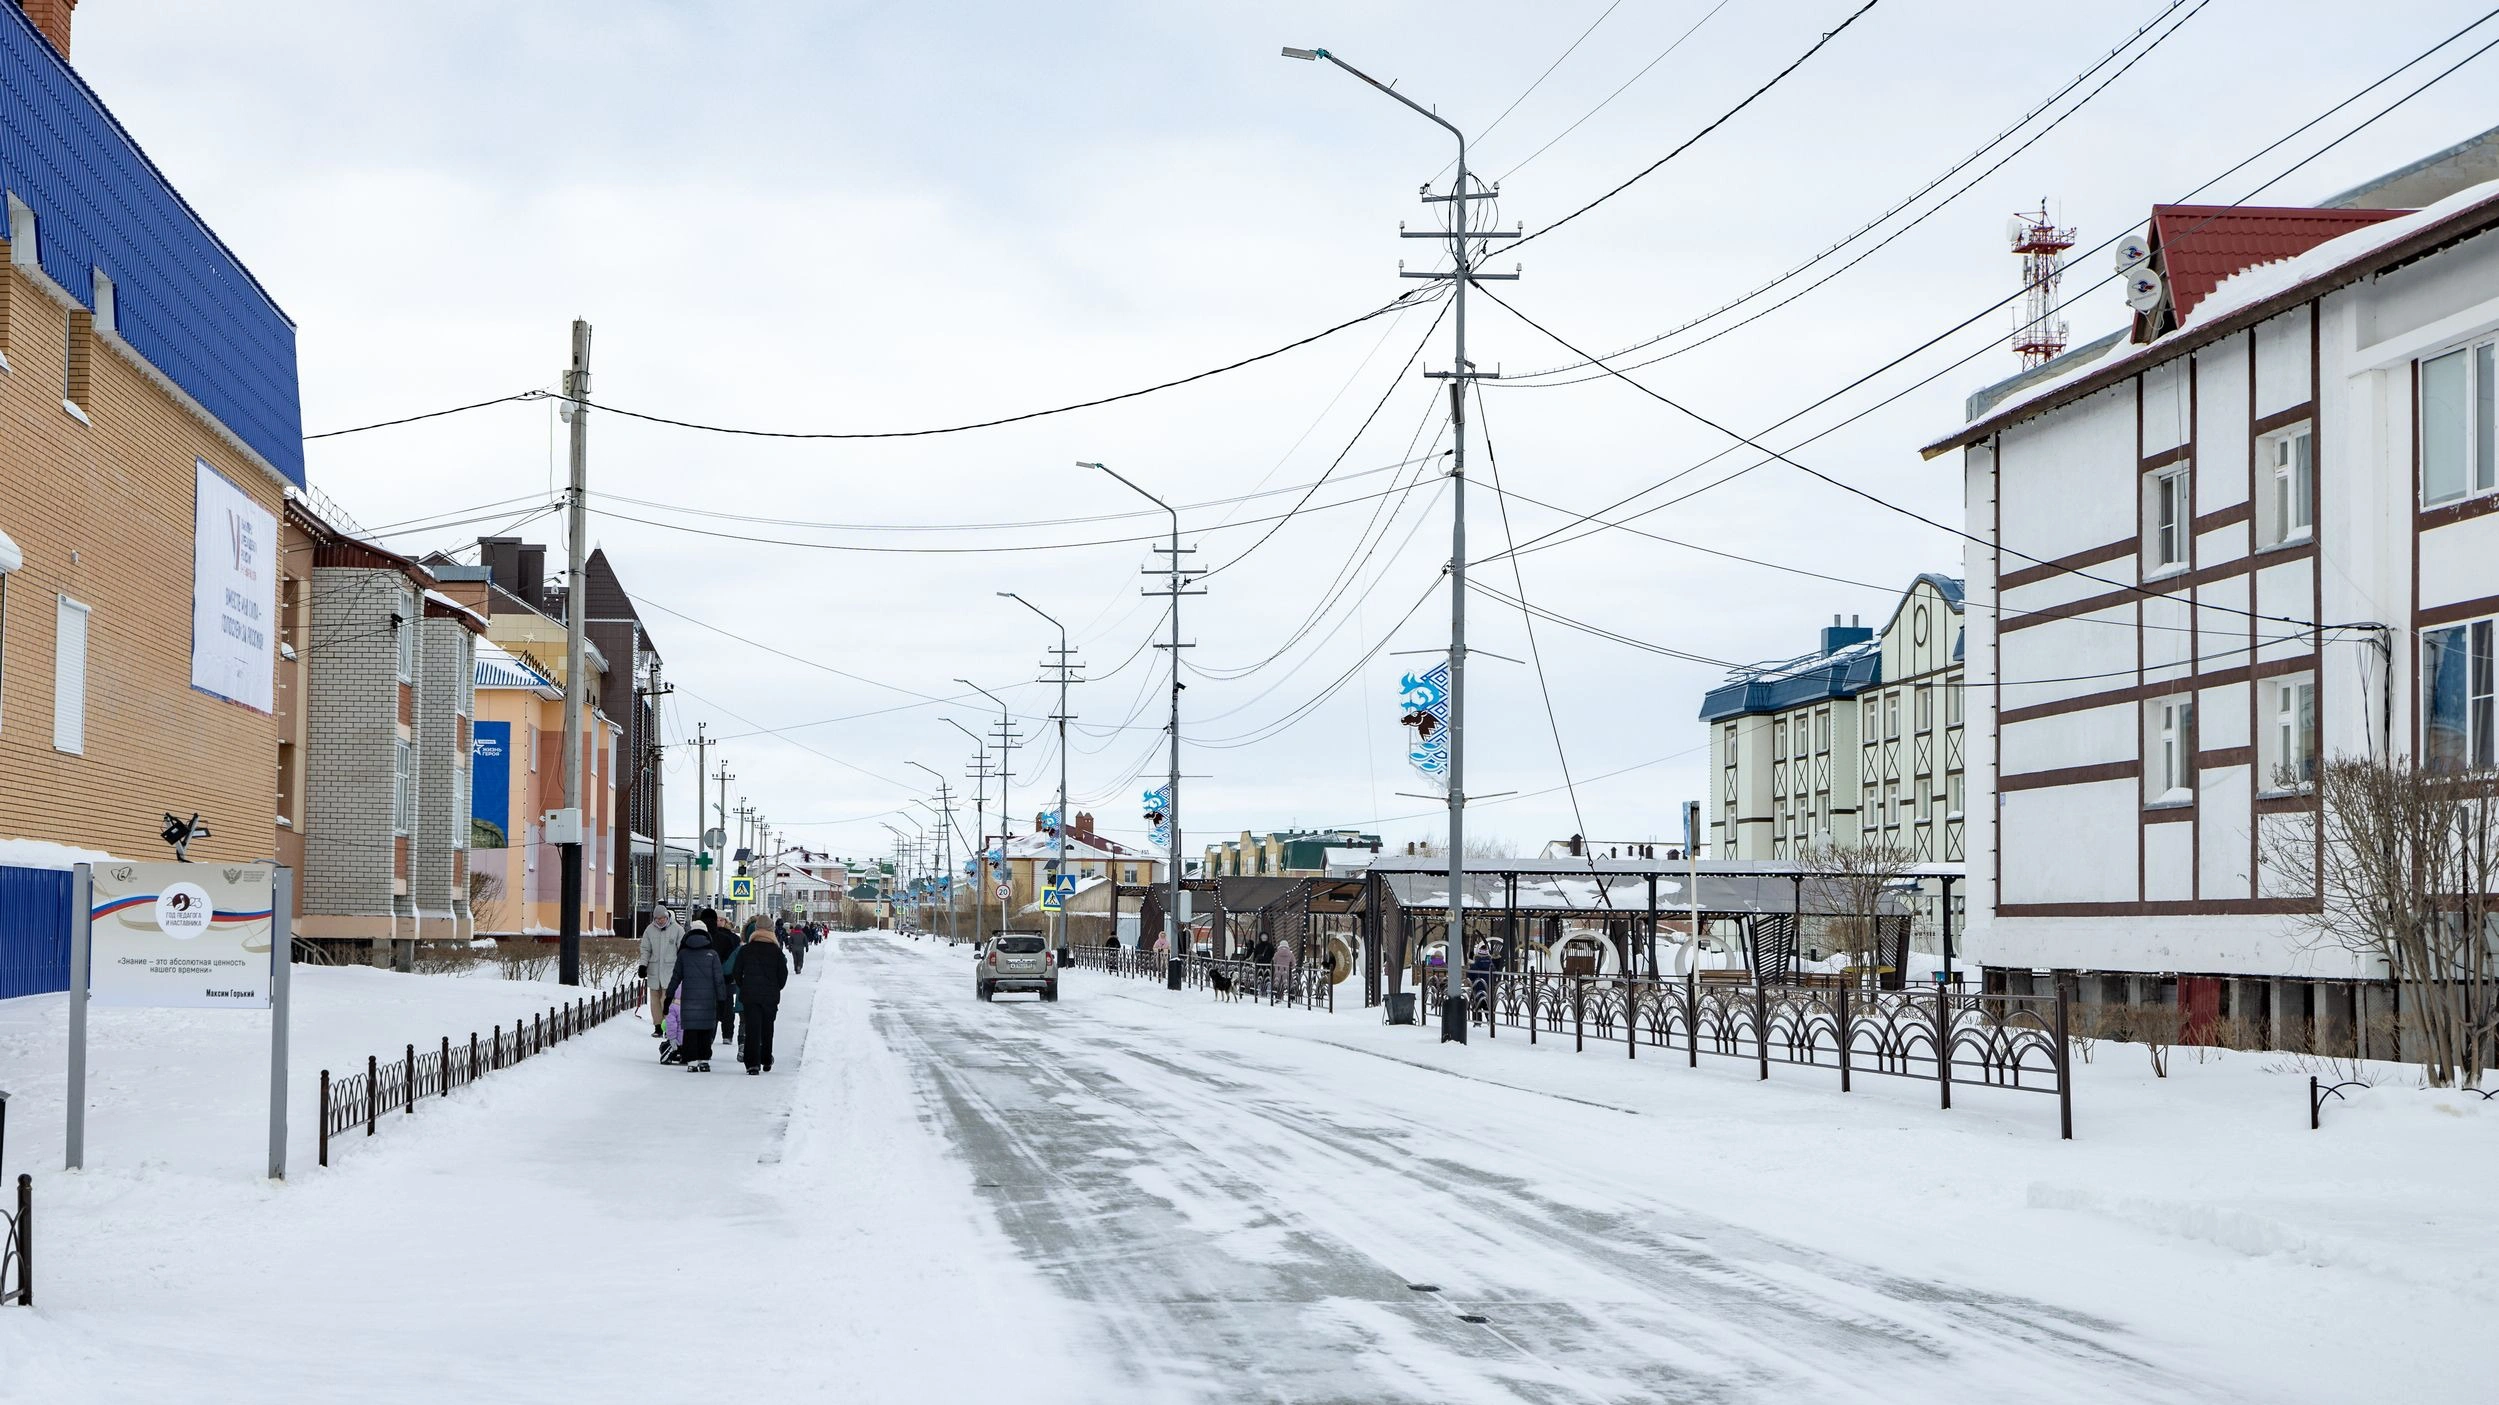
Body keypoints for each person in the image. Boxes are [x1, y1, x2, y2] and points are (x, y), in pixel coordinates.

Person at [667, 923, 730, 1073]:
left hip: (688, 1000)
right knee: (705, 1031)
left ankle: (692, 1061)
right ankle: (704, 1061)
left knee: (690, 1031)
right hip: (708, 1000)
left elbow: (676, 977)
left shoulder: (683, 954)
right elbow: (719, 980)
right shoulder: (713, 954)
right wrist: (722, 1000)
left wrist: (668, 996)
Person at [734, 915, 791, 1074]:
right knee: (767, 1028)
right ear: (771, 930)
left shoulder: (746, 950)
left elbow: (737, 972)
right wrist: (775, 988)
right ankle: (766, 1059)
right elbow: (783, 975)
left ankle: (752, 1064)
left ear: (756, 930)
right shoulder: (776, 952)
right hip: (770, 996)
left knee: (752, 1029)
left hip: (750, 995)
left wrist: (744, 986)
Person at [637, 906, 683, 1039]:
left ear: (667, 917)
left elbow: (681, 950)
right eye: (658, 919)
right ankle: (657, 1026)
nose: (661, 921)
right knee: (655, 1000)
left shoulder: (677, 929)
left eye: (662, 918)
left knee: (667, 1000)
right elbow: (645, 950)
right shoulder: (649, 930)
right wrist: (643, 966)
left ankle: (668, 1026)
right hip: (654, 970)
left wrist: (681, 968)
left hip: (670, 971)